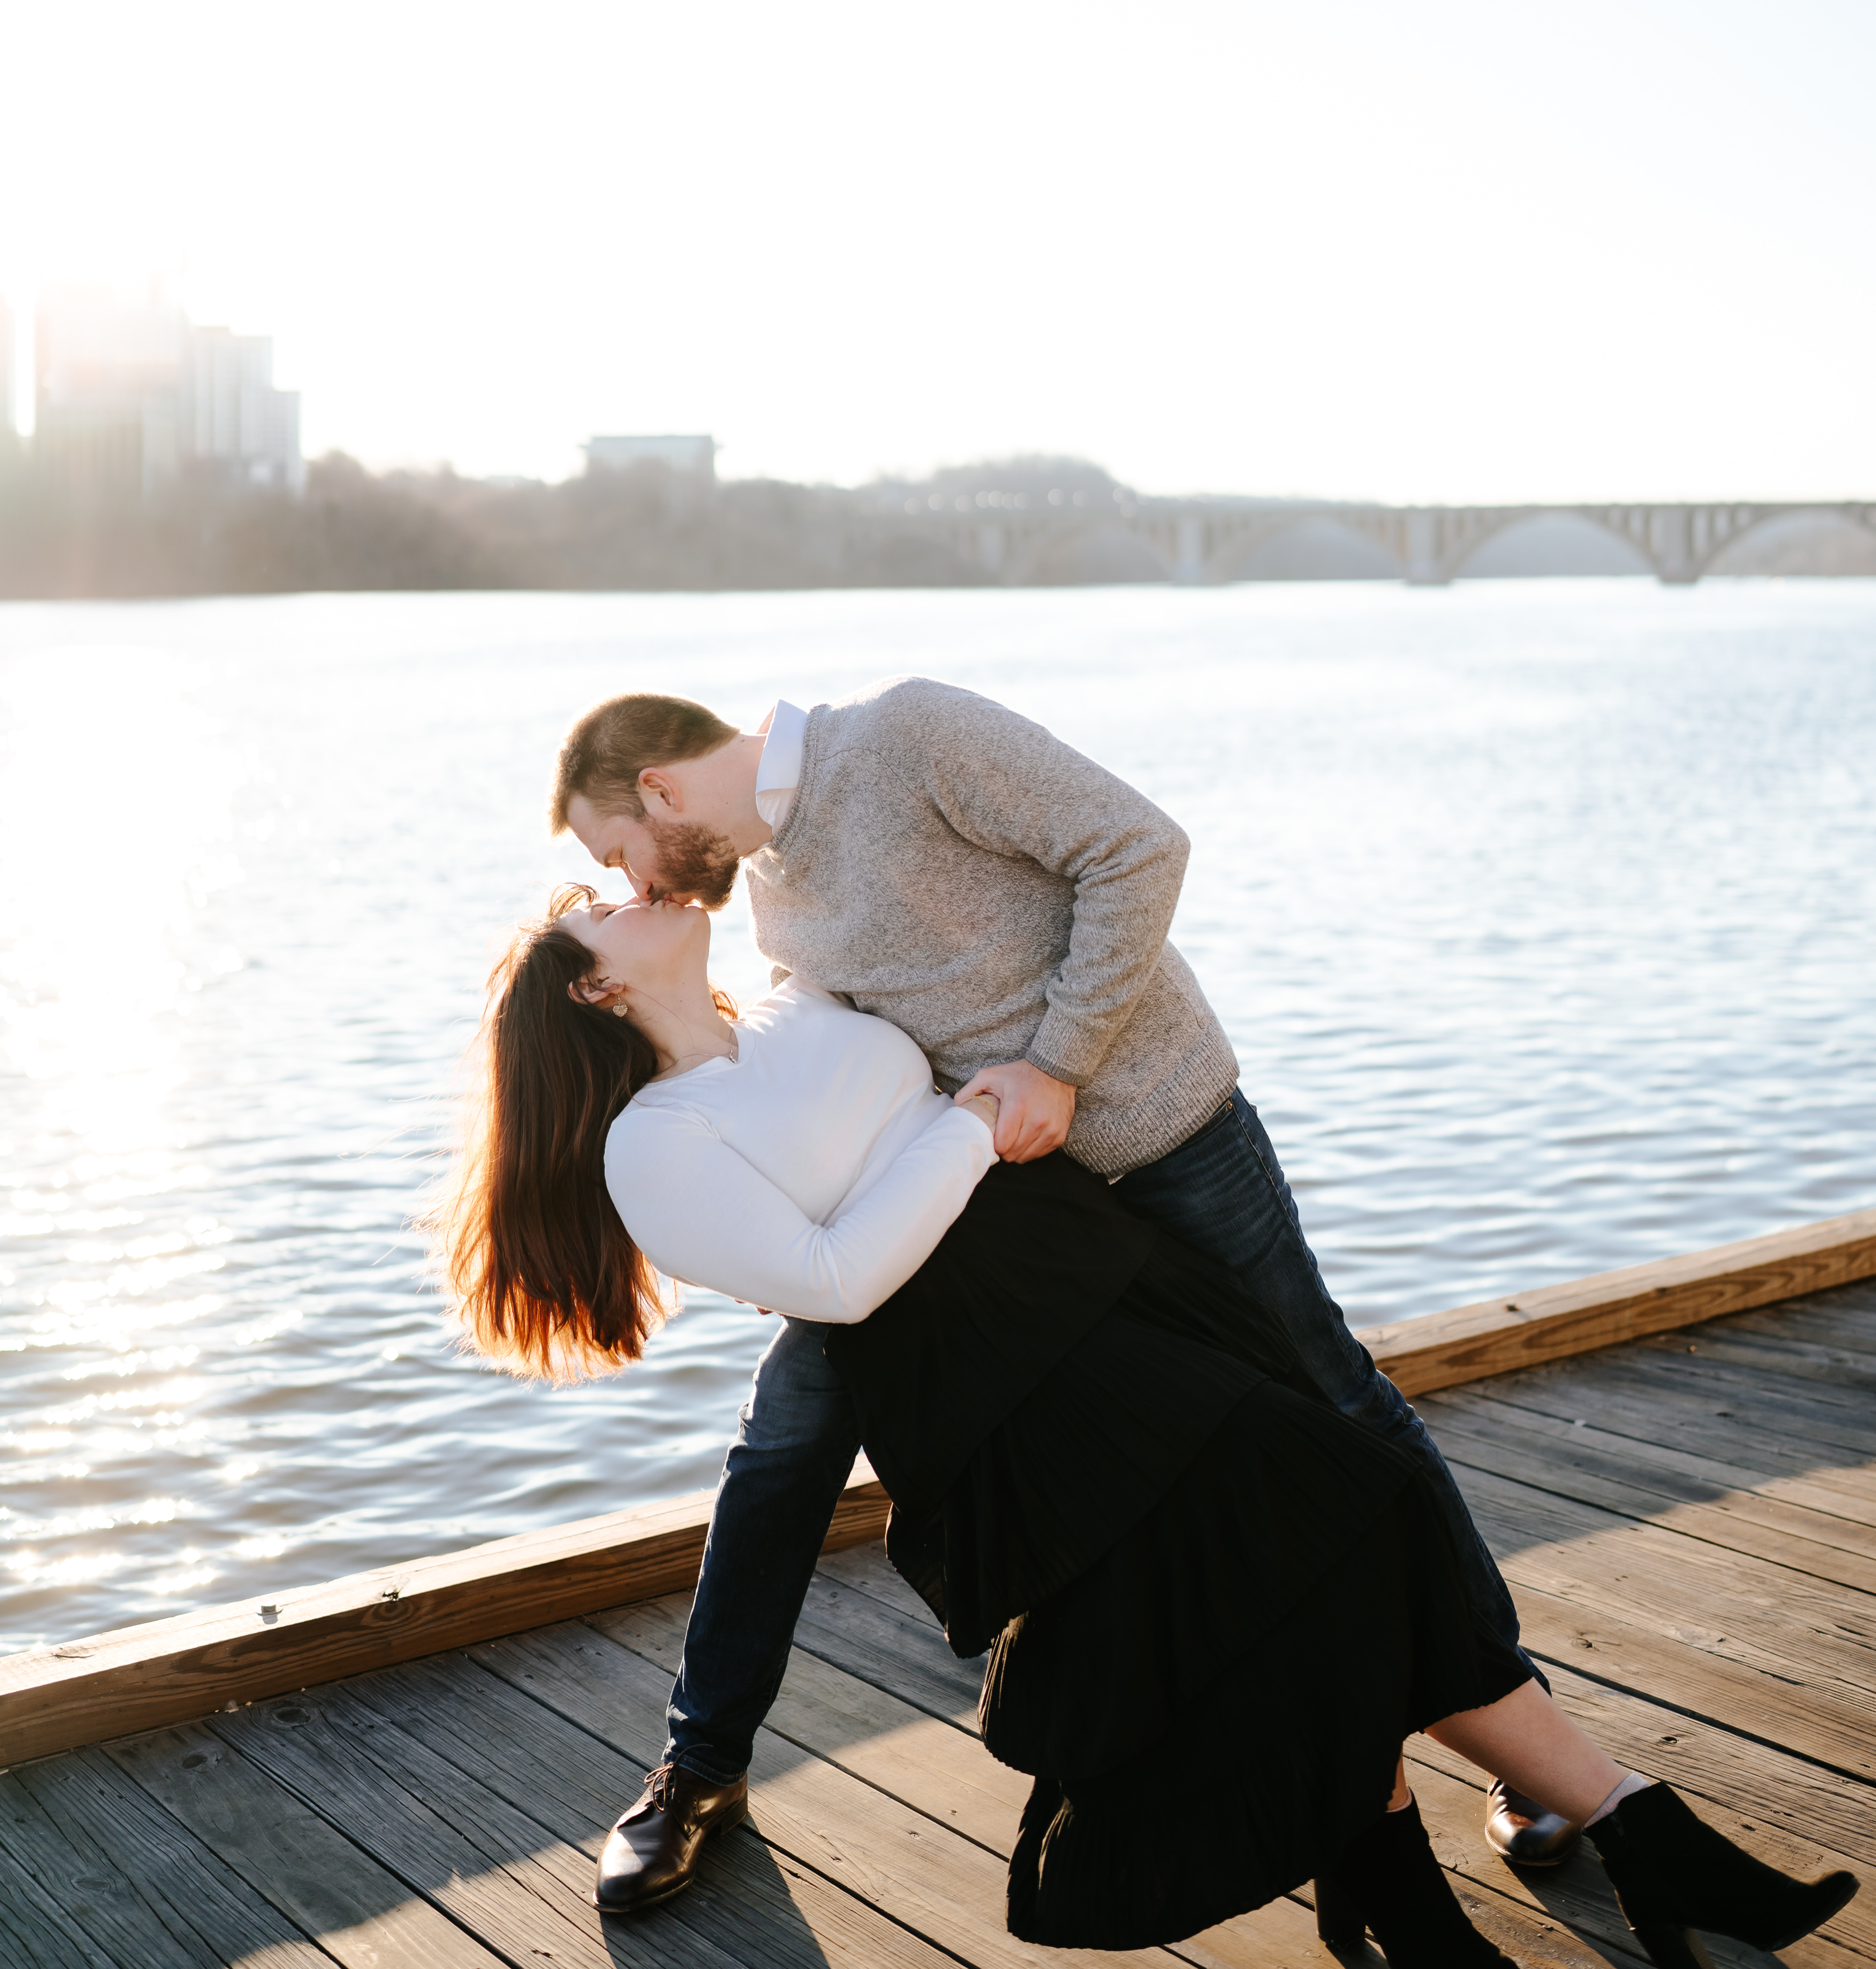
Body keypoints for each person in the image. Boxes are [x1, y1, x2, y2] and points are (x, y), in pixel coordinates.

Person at [431, 884, 1858, 1965]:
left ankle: (1459, 1876)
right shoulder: (651, 1143)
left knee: (1333, 1537)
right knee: (1337, 1517)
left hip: (1098, 1273)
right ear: (598, 996)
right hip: (992, 1378)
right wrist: (965, 1129)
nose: (630, 891)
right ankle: (1579, 1853)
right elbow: (835, 1282)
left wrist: (1001, 1099)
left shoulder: (798, 1004)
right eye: (600, 912)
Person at [546, 677, 1572, 1900]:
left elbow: (1138, 849)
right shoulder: (771, 902)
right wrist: (774, 1226)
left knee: (1335, 1400)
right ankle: (698, 1768)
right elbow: (820, 1066)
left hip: (1164, 1142)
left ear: (660, 789)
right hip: (994, 1229)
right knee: (780, 1458)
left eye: (623, 852)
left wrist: (1060, 1066)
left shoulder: (909, 737)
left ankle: (1519, 1729)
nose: (643, 886)